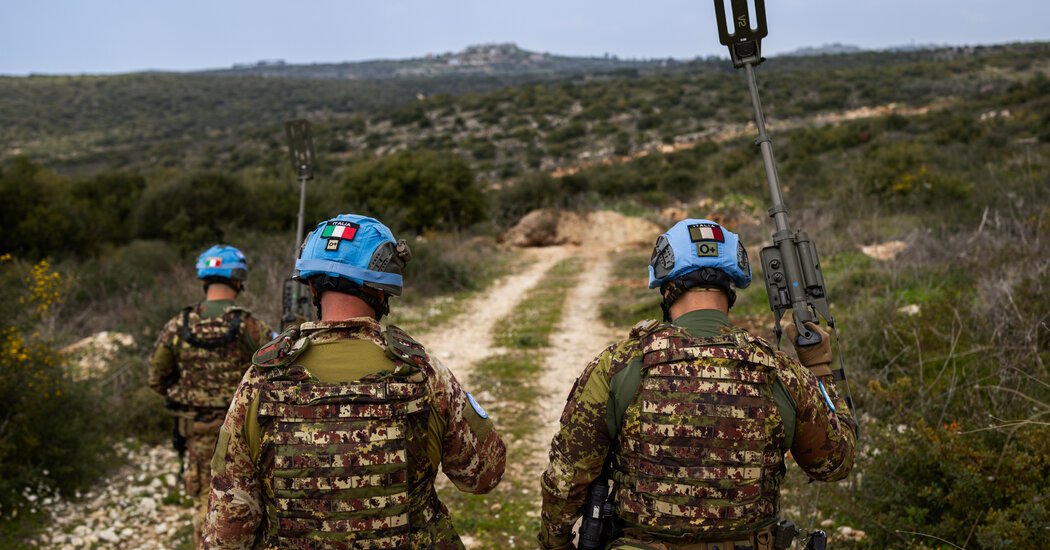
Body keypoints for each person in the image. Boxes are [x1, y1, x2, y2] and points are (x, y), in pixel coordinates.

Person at [539, 219, 857, 550]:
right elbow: (835, 462)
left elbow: (567, 480)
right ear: (730, 288)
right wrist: (818, 367)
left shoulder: (619, 365)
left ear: (666, 287)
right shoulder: (781, 372)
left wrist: (555, 543)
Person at [203, 214, 506, 549]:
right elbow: (483, 475)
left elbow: (228, 525)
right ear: (382, 290)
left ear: (313, 287)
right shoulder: (424, 372)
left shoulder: (260, 379)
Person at [148, 244, 274, 547]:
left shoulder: (179, 325)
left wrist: (186, 398)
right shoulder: (251, 326)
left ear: (204, 279)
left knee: (205, 503)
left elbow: (156, 377)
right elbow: (274, 370)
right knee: (249, 501)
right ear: (238, 280)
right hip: (245, 432)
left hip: (198, 430)